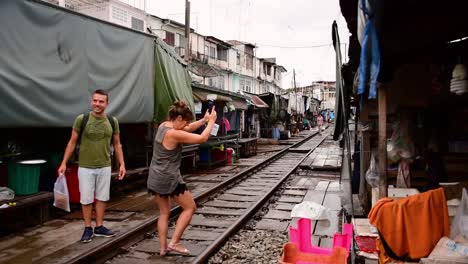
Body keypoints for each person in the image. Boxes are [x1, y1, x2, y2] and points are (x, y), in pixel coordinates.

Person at [148, 101, 217, 256]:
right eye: (186, 121)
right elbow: (202, 138)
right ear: (178, 118)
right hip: (169, 177)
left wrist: (203, 121)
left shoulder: (164, 126)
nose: (187, 124)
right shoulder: (173, 133)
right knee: (190, 207)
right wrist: (211, 121)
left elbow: (186, 129)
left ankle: (163, 248)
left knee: (164, 213)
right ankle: (175, 242)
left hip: (155, 176)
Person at [58, 89, 126, 243]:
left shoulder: (112, 121)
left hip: (105, 165)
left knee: (102, 197)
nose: (97, 104)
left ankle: (99, 226)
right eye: (95, 100)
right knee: (86, 198)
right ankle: (88, 228)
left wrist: (122, 164)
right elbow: (72, 142)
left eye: (101, 101)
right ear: (91, 101)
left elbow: (117, 143)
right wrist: (63, 162)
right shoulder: (82, 119)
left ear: (107, 104)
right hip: (86, 166)